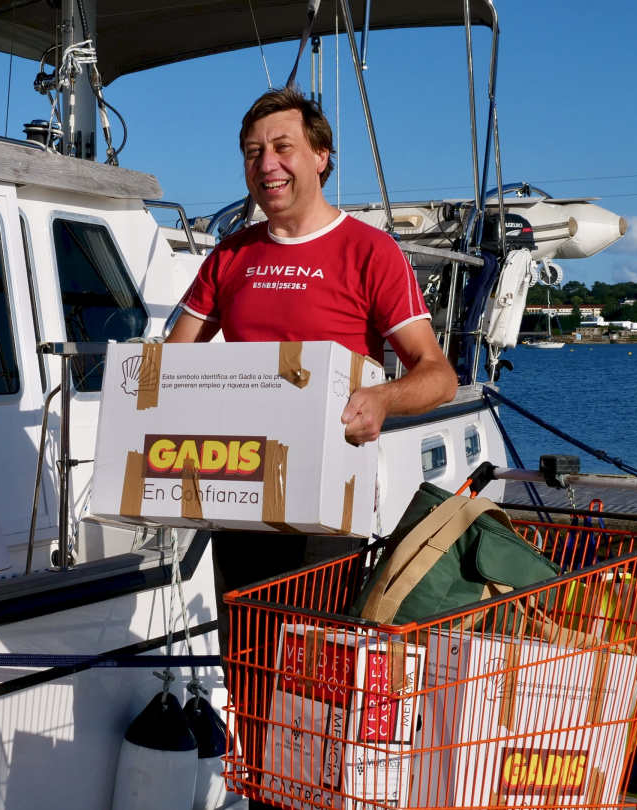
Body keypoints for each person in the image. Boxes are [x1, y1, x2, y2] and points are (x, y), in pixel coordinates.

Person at [166, 87, 458, 672]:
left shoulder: (371, 253)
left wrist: (382, 398)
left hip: (328, 507)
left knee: (309, 692)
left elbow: (440, 377)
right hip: (241, 493)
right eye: (252, 152)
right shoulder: (229, 257)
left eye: (283, 147)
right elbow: (172, 365)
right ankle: (246, 763)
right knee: (247, 679)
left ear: (321, 154)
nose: (266, 165)